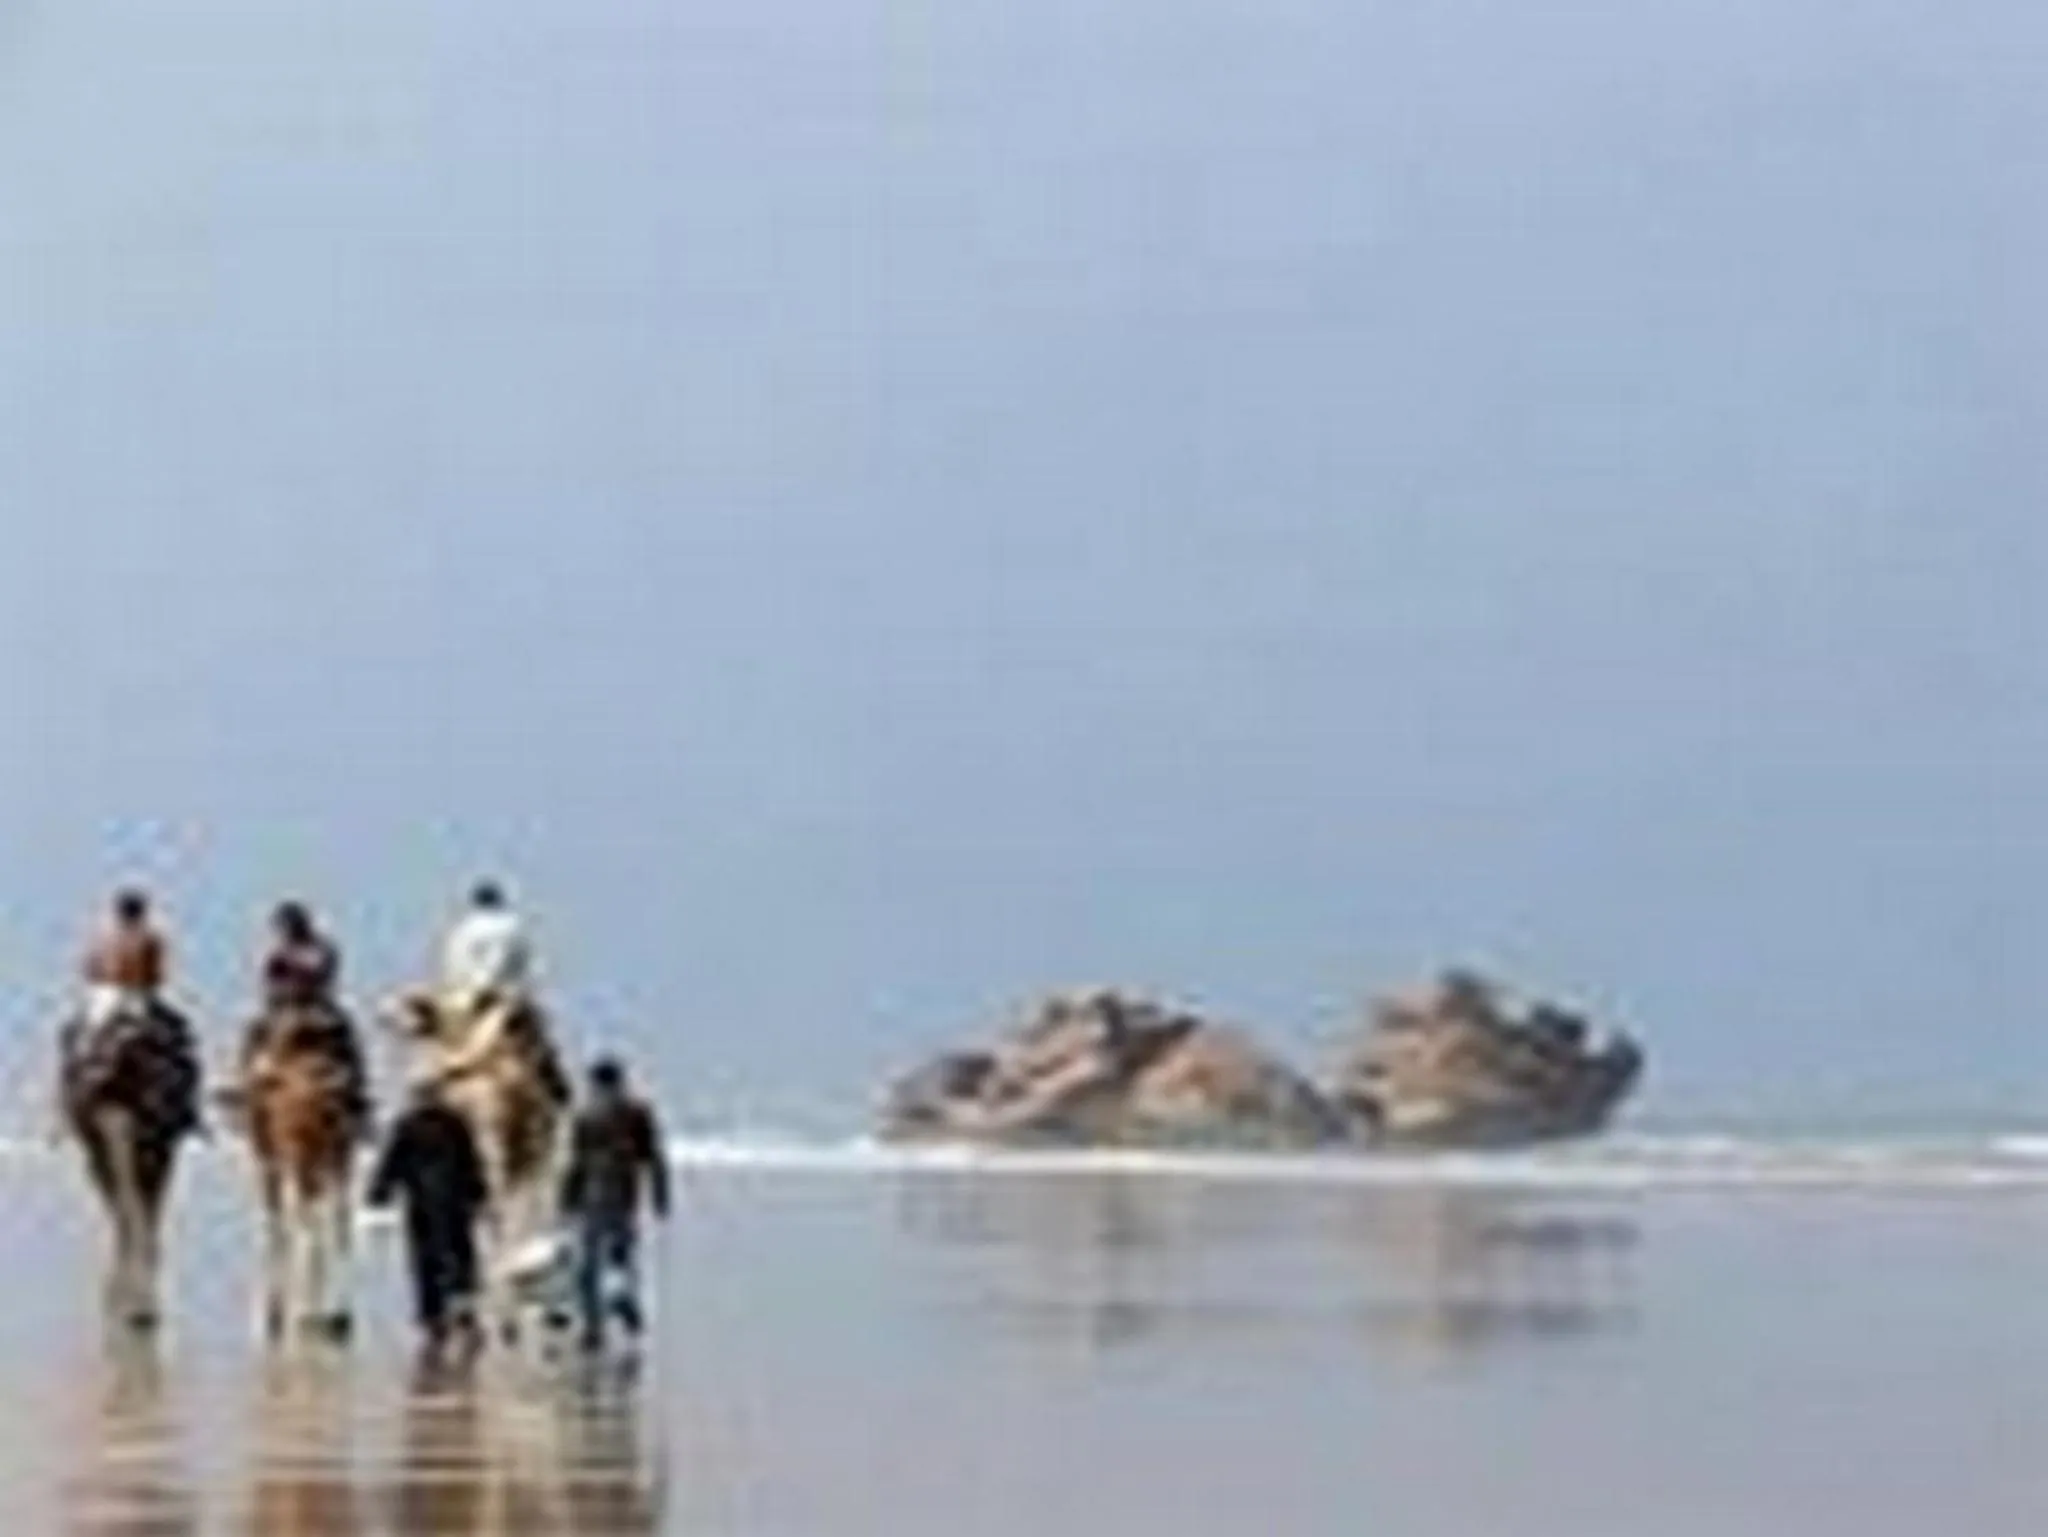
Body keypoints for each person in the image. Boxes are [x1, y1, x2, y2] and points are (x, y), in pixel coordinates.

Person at [369, 1078, 490, 1359]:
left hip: (421, 1201)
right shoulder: (455, 1124)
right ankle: (459, 1309)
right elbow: (471, 1161)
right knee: (457, 1255)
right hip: (453, 1202)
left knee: (426, 1258)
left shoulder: (409, 1125)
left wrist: (379, 1193)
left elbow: (392, 1161)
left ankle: (433, 1315)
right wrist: (479, 1194)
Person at [558, 1057, 670, 1351]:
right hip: (622, 1194)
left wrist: (567, 1199)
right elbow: (653, 1158)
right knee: (619, 1256)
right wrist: (660, 1195)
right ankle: (621, 1301)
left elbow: (576, 1162)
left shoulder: (587, 1117)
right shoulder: (636, 1113)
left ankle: (594, 1325)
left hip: (595, 1196)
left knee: (589, 1265)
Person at [243, 902, 371, 1137]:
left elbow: (324, 973)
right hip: (284, 1006)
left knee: (346, 1034)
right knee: (253, 1030)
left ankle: (357, 1097)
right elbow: (270, 981)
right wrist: (279, 991)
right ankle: (244, 1089)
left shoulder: (320, 948)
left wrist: (299, 975)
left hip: (316, 1004)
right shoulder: (279, 952)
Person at [440, 881, 535, 1018]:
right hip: (508, 994)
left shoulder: (465, 929)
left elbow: (455, 962)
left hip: (469, 994)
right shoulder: (515, 927)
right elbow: (519, 963)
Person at [82, 889, 168, 1029]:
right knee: (91, 1024)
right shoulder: (107, 937)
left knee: (93, 1023)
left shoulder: (149, 938)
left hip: (131, 991)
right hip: (118, 989)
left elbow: (89, 966)